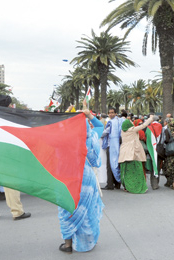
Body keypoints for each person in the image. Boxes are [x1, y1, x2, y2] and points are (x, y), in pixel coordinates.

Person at [58, 107, 104, 253]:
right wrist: (88, 114)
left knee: (67, 208)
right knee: (87, 210)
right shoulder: (92, 137)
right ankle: (88, 242)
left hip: (67, 177)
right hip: (86, 178)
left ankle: (67, 244)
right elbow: (99, 126)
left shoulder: (63, 139)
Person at [0, 95, 31, 222]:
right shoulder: (9, 117)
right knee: (11, 184)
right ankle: (17, 211)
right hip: (5, 155)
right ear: (7, 104)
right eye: (10, 104)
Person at [118, 116, 154, 193]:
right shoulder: (132, 130)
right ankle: (137, 187)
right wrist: (150, 119)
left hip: (124, 153)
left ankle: (127, 187)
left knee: (126, 172)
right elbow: (143, 126)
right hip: (133, 154)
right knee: (137, 171)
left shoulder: (122, 131)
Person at [101, 108, 123, 190]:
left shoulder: (112, 123)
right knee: (116, 164)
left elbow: (104, 133)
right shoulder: (120, 121)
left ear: (116, 113)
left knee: (110, 166)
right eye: (109, 113)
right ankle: (117, 184)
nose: (111, 114)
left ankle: (110, 184)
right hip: (119, 146)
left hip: (111, 146)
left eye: (112, 113)